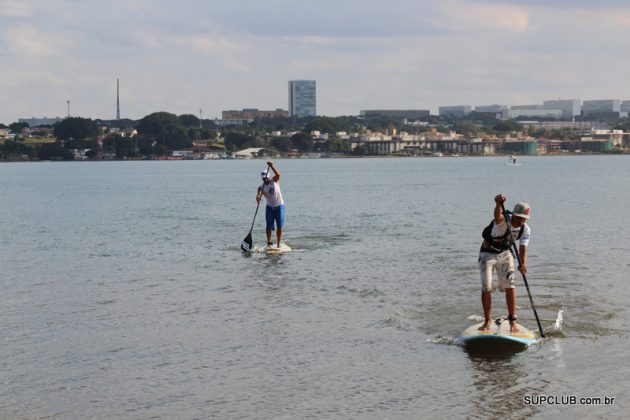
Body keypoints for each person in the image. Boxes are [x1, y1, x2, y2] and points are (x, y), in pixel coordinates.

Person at [478, 194, 531, 333]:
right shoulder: (502, 220)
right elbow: (497, 215)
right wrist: (497, 203)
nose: (521, 221)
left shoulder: (525, 229)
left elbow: (523, 248)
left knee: (510, 286)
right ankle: (487, 320)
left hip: (505, 254)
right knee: (487, 286)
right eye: (519, 217)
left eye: (524, 219)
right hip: (487, 253)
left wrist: (522, 264)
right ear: (513, 214)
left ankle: (513, 321)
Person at [256, 161, 285, 248]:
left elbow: (278, 175)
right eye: (263, 179)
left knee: (279, 225)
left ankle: (278, 244)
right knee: (268, 225)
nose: (265, 180)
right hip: (269, 207)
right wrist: (258, 197)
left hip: (279, 205)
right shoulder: (261, 187)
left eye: (266, 178)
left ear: (269, 177)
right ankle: (269, 243)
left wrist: (272, 166)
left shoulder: (274, 180)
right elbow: (259, 192)